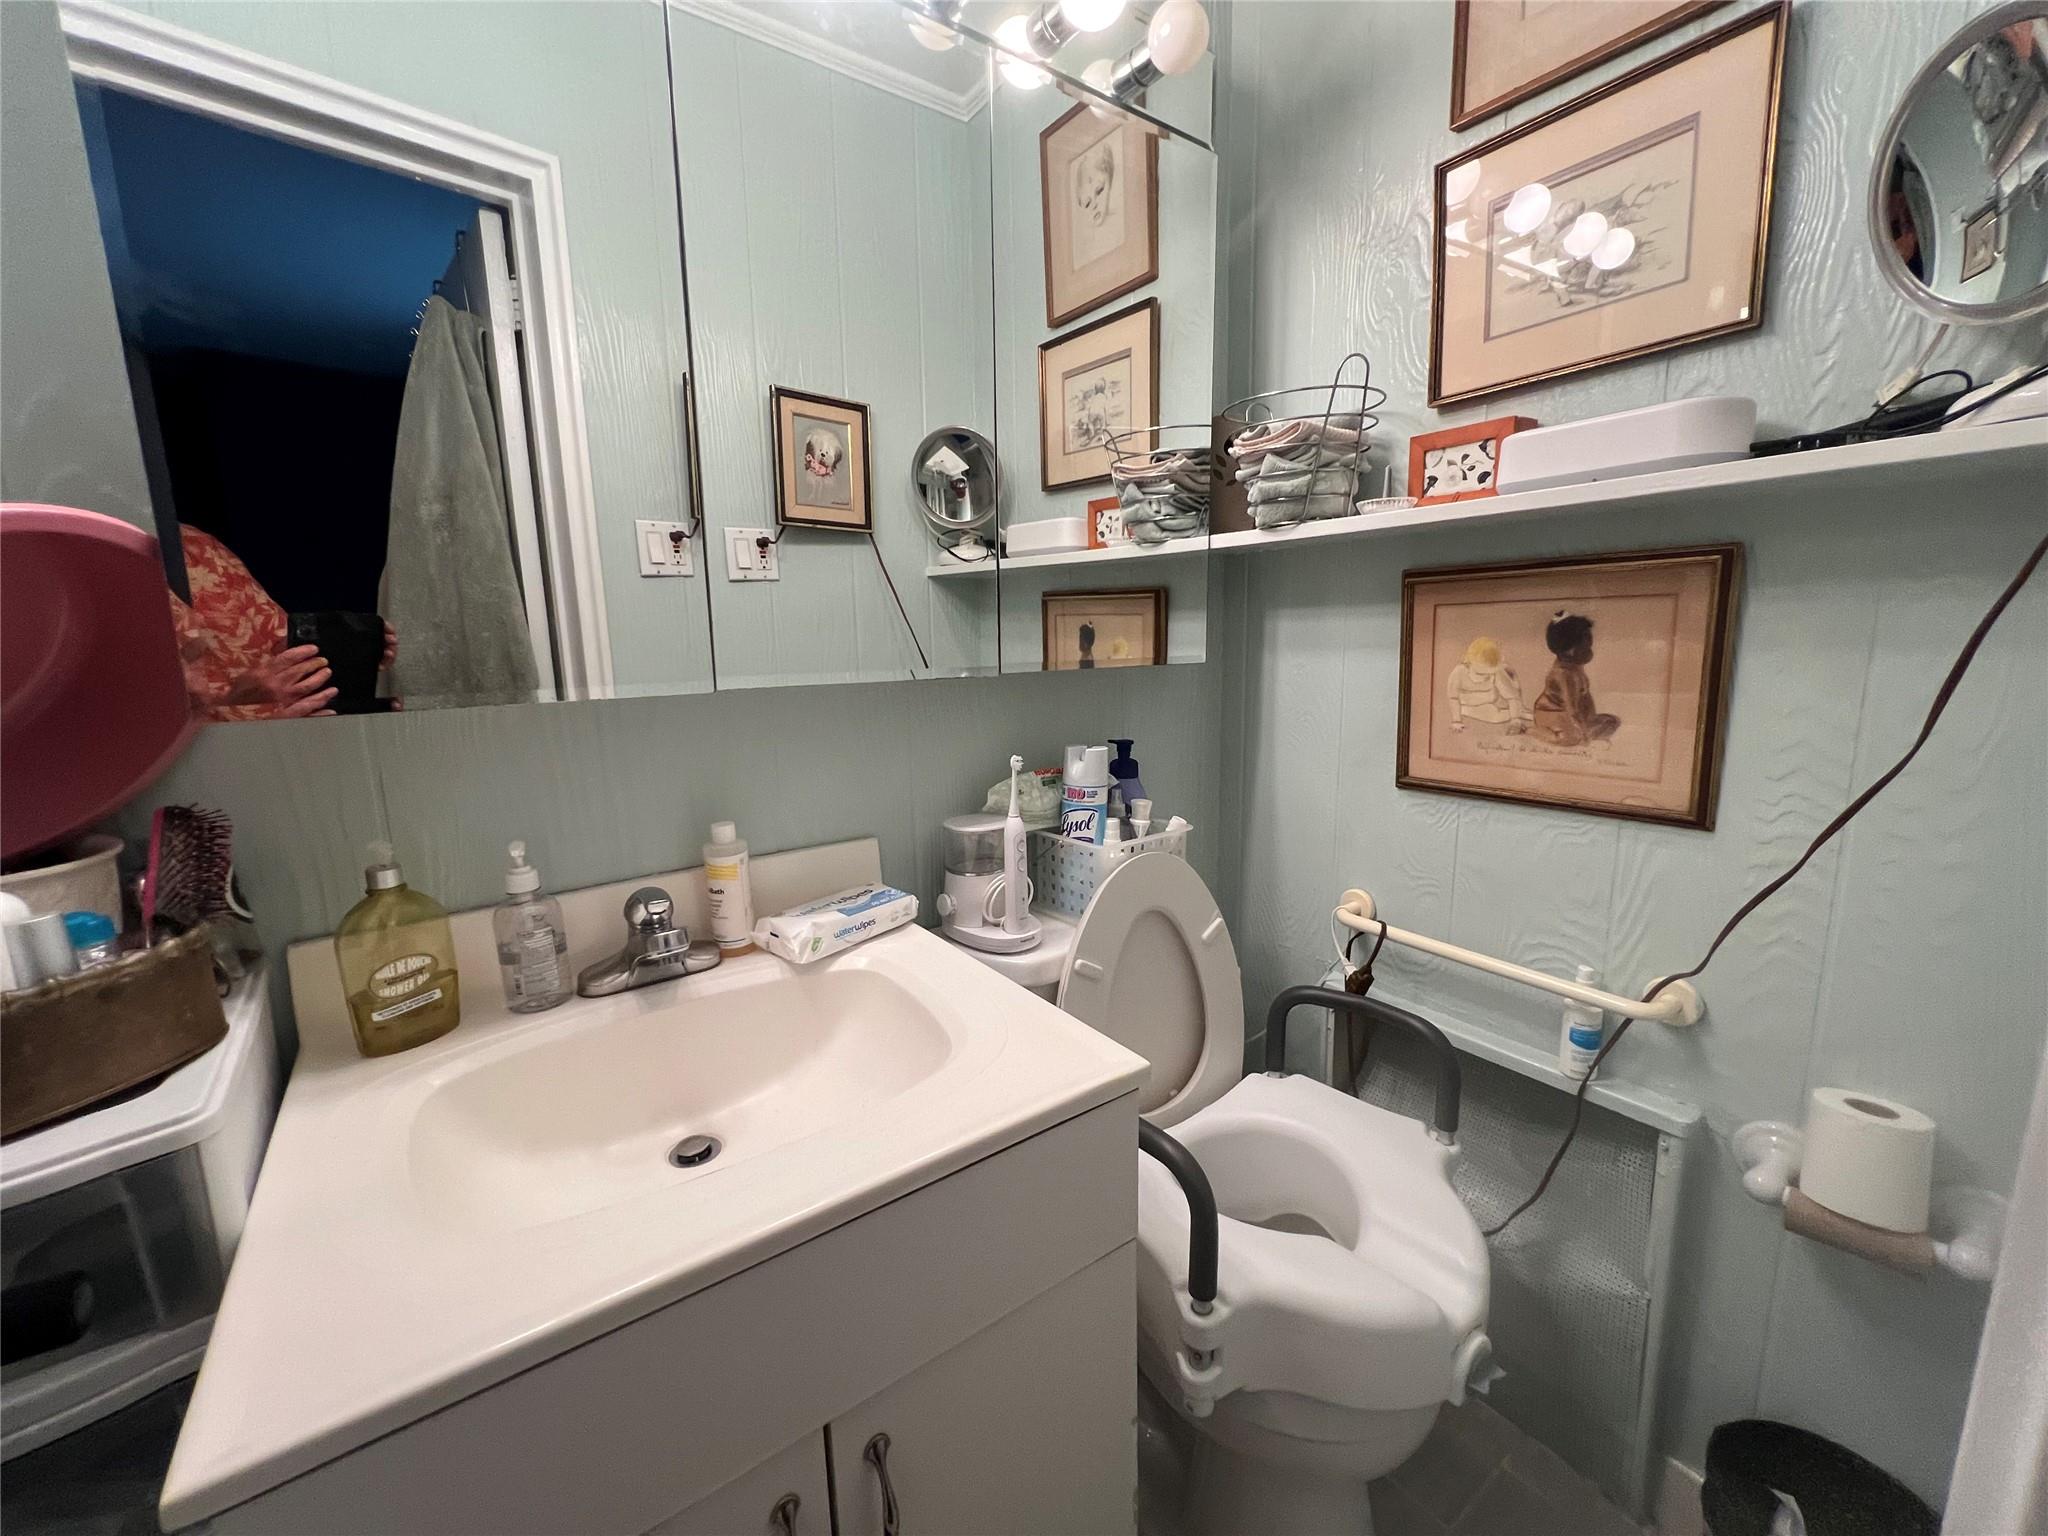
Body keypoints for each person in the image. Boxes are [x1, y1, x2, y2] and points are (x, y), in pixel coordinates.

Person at [167, 525, 395, 722]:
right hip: (206, 760)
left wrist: (351, 655)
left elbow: (277, 642)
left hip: (295, 738)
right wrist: (233, 698)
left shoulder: (194, 546)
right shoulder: (139, 565)